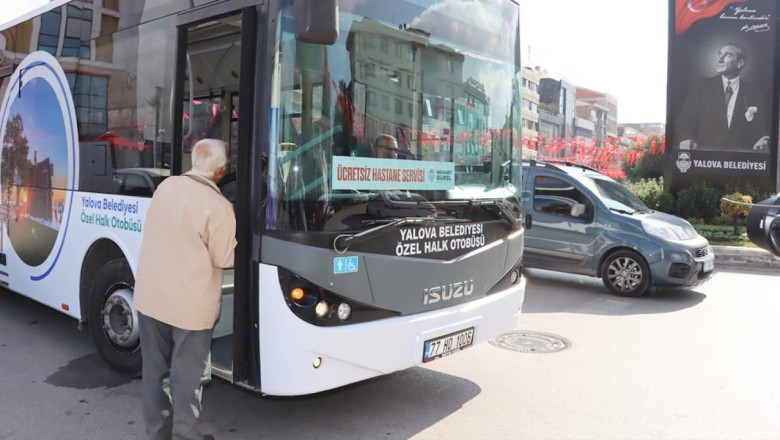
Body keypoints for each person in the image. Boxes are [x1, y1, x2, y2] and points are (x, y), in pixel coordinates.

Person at [134, 138, 237, 440]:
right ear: (220, 171)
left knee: (155, 374)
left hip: (151, 300)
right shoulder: (219, 206)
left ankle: (157, 434)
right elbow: (225, 257)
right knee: (187, 380)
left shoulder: (165, 188)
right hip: (189, 311)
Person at [677, 42, 770, 151]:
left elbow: (762, 130)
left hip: (741, 161)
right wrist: (686, 138)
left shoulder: (754, 94)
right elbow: (685, 120)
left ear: (740, 63)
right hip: (705, 160)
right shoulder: (701, 87)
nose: (720, 59)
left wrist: (763, 140)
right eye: (720, 54)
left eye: (728, 55)